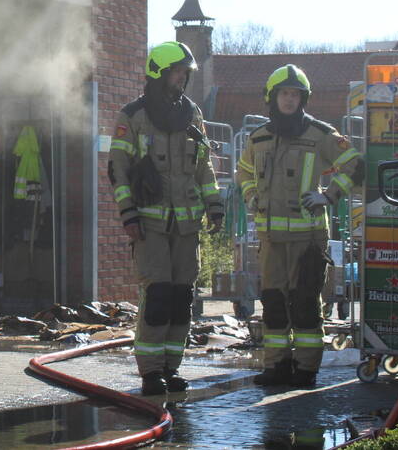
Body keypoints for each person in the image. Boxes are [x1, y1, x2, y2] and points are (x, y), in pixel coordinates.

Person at [108, 40, 225, 395]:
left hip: (187, 227)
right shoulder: (133, 116)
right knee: (157, 296)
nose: (182, 79)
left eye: (185, 73)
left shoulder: (192, 114)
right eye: (177, 72)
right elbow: (118, 169)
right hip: (149, 225)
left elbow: (203, 166)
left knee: (181, 298)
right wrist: (128, 214)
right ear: (159, 74)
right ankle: (150, 372)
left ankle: (172, 368)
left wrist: (215, 205)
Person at [236, 64, 364, 388]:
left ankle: (306, 370)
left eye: (295, 94)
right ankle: (276, 366)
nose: (289, 100)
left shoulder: (320, 134)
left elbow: (355, 164)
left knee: (306, 304)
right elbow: (243, 172)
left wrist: (330, 195)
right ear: (273, 97)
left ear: (303, 99)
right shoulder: (258, 137)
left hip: (309, 239)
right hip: (271, 240)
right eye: (284, 93)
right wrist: (251, 196)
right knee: (275, 304)